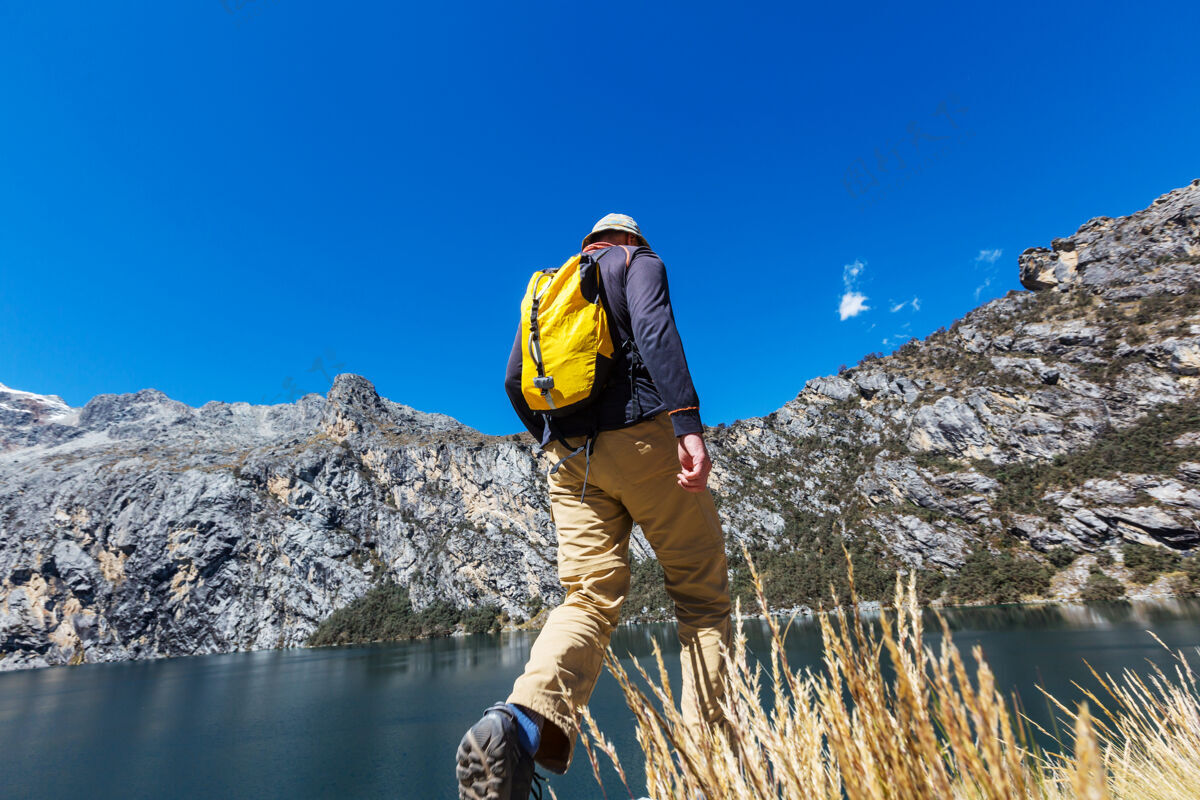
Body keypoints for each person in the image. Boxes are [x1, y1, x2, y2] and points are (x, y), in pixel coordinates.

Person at [455, 214, 732, 800]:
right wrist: (686, 423)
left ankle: (519, 724)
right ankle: (710, 774)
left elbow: (512, 381)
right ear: (632, 241)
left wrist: (553, 439)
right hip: (644, 439)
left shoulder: (549, 291)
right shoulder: (638, 264)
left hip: (572, 463)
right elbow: (654, 329)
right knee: (702, 601)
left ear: (589, 245)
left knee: (588, 597)